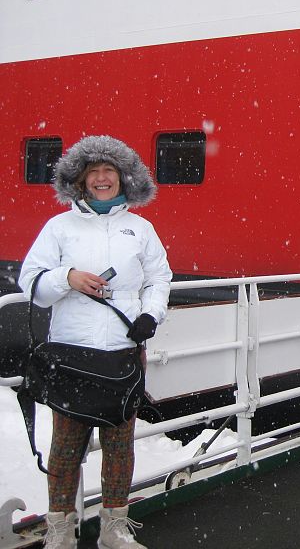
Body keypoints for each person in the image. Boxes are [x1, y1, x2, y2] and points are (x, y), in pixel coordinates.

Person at [19, 135, 172, 549]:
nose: (102, 179)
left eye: (110, 172)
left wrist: (149, 315)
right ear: (81, 181)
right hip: (72, 356)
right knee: (65, 450)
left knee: (119, 447)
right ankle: (60, 530)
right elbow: (30, 282)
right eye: (94, 173)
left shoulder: (140, 228)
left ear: (124, 179)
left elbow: (160, 278)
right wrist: (66, 277)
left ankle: (114, 528)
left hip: (122, 353)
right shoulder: (59, 227)